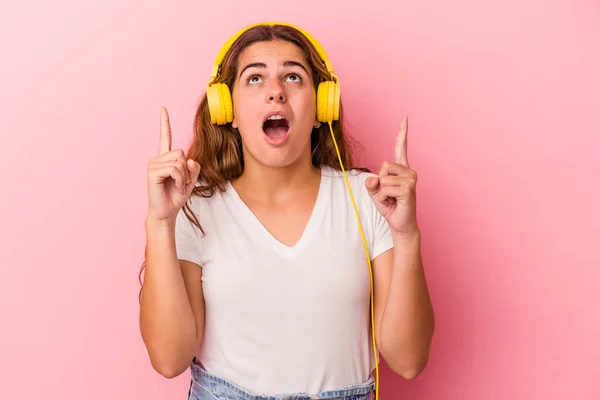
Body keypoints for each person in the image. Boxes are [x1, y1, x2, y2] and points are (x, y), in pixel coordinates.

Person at [138, 22, 434, 400]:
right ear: (226, 109)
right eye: (255, 79)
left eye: (293, 77)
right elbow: (169, 360)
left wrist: (407, 236)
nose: (276, 92)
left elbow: (408, 361)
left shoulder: (369, 200)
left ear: (320, 108)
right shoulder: (194, 206)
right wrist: (161, 224)